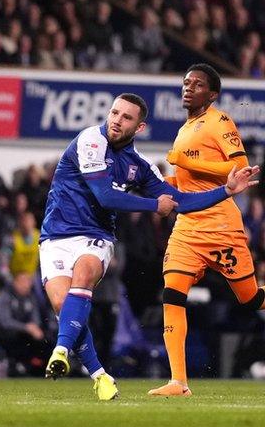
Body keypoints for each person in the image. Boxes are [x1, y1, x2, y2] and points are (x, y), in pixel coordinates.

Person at [40, 92, 258, 400]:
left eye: (126, 117)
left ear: (139, 127)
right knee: (64, 308)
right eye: (114, 113)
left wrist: (225, 190)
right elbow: (105, 195)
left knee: (84, 275)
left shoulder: (138, 166)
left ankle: (61, 350)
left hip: (96, 236)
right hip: (55, 237)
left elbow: (180, 202)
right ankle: (100, 375)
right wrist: (154, 204)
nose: (116, 120)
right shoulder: (90, 140)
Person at [151, 64, 265, 397]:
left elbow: (240, 168)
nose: (188, 87)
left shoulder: (219, 121)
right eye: (186, 82)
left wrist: (187, 162)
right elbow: (188, 183)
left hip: (220, 227)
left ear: (211, 94)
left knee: (251, 299)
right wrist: (160, 184)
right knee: (171, 293)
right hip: (188, 226)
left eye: (197, 84)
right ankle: (178, 382)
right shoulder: (185, 128)